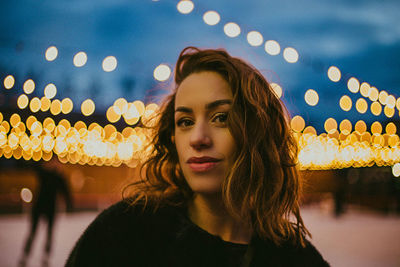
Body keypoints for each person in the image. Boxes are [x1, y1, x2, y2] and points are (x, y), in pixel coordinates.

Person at [66, 47, 329, 266]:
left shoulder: (296, 259)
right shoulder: (123, 236)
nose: (197, 138)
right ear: (172, 136)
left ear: (257, 131)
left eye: (221, 117)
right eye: (185, 121)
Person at [20, 158, 73, 267]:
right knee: (33, 233)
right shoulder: (45, 173)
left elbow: (66, 193)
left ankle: (45, 257)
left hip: (49, 208)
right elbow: (33, 166)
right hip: (40, 207)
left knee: (48, 234)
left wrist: (70, 205)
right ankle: (25, 256)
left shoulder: (58, 177)